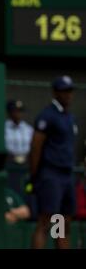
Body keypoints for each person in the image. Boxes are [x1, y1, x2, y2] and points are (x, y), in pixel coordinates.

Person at [29, 75, 78, 249]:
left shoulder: (69, 117)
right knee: (45, 221)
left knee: (63, 224)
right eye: (64, 91)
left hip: (67, 175)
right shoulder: (47, 115)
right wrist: (35, 176)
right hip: (50, 175)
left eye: (70, 91)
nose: (68, 95)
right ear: (56, 92)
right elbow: (35, 147)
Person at [4, 100, 33, 196]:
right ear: (9, 112)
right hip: (10, 165)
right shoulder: (4, 128)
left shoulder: (28, 129)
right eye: (15, 111)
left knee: (27, 190)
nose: (18, 114)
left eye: (20, 111)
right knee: (12, 189)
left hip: (26, 166)